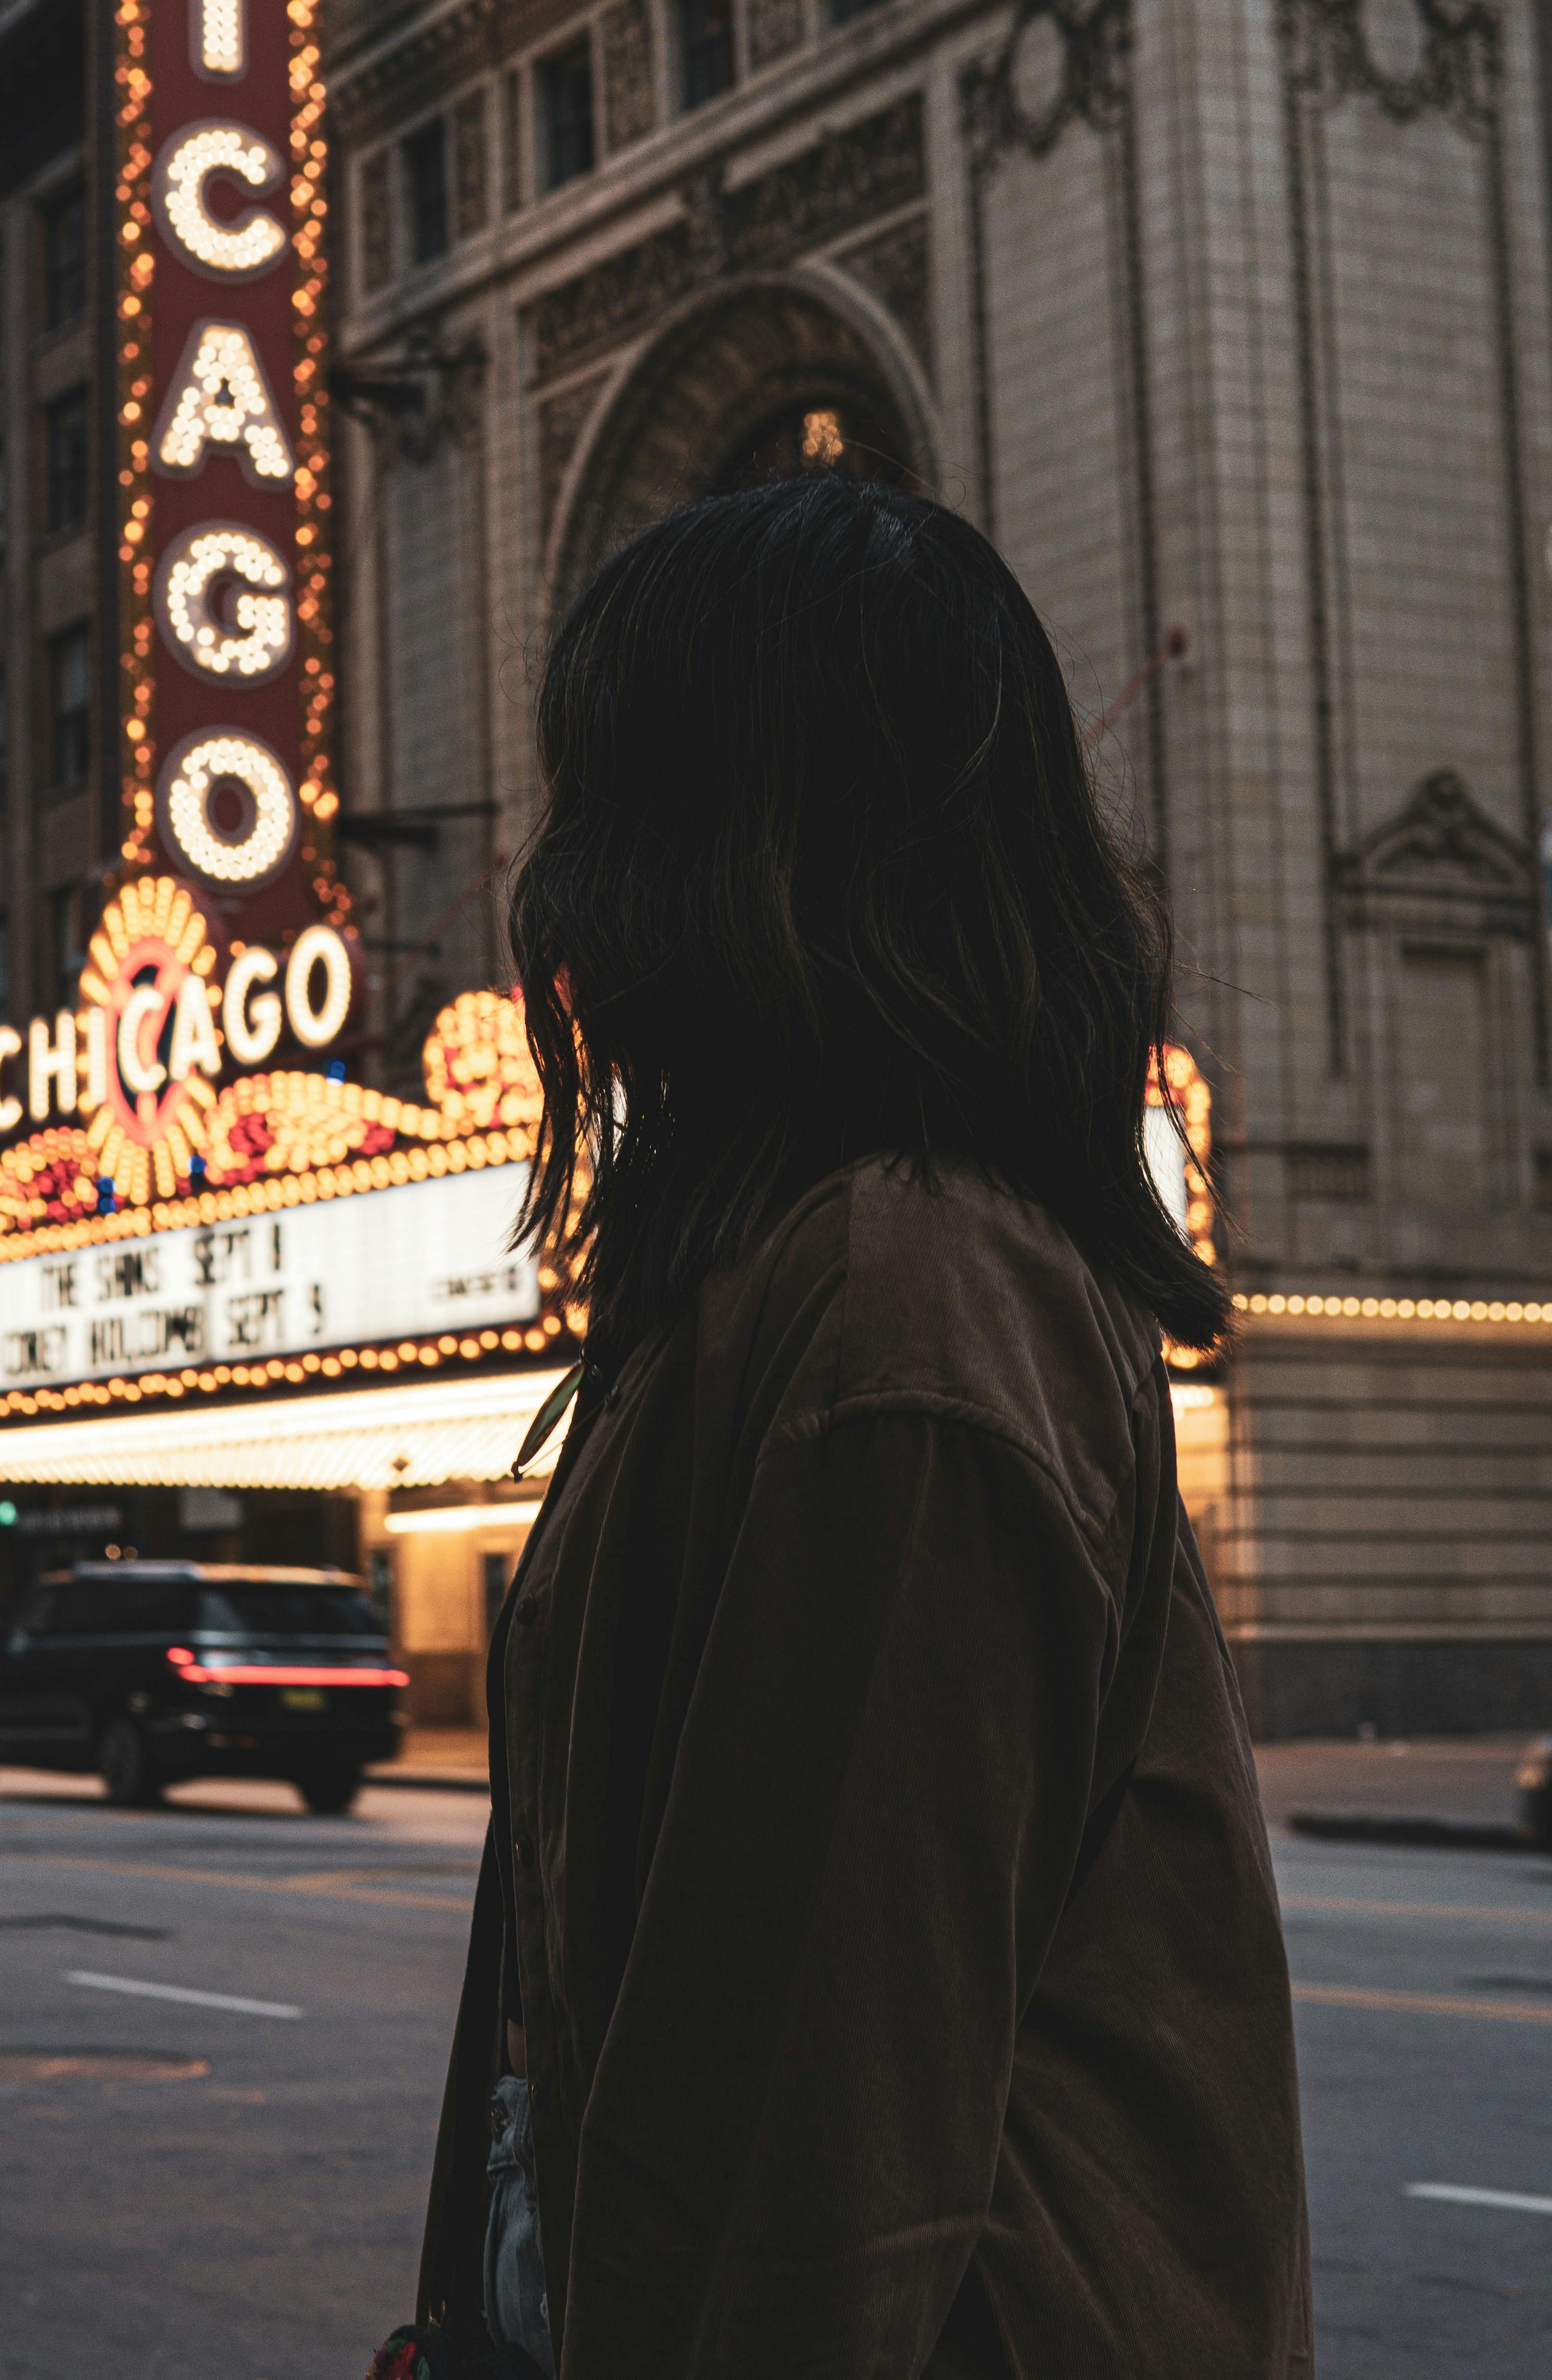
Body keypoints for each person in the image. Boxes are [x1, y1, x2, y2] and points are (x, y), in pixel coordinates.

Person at [393, 477, 1311, 2380]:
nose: (558, 875)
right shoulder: (789, 1279)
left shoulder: (899, 1310)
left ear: (732, 846)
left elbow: (813, 2178)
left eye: (603, 794)